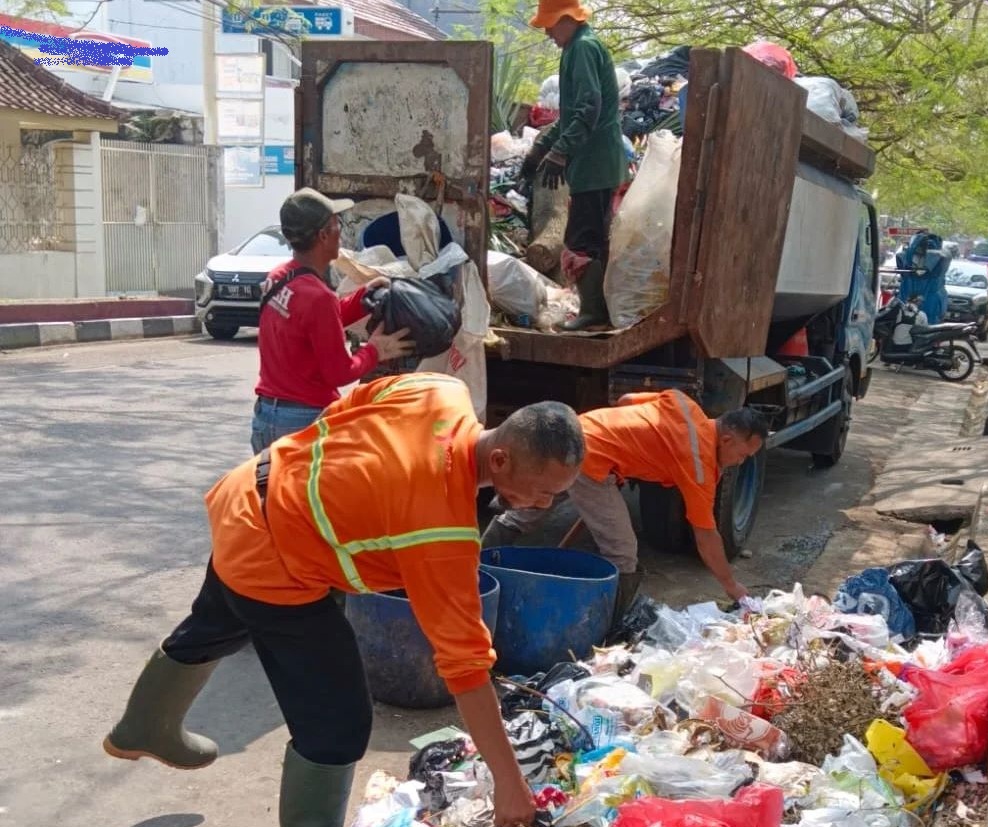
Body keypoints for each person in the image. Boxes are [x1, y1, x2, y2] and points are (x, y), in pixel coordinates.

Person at [102, 374, 585, 827]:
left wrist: (339, 493)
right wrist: (509, 782)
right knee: (338, 726)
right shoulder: (441, 531)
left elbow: (343, 409)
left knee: (218, 619)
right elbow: (465, 668)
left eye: (556, 497)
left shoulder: (440, 390)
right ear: (499, 460)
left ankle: (144, 725)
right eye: (542, 493)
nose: (543, 506)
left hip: (249, 494)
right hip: (274, 562)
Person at [482, 391, 769, 613]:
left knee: (524, 513)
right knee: (623, 553)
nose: (738, 463)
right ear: (728, 439)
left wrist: (627, 448)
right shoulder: (699, 465)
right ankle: (608, 627)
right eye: (742, 455)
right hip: (592, 460)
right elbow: (706, 534)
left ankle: (475, 569)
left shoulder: (684, 403)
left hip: (575, 436)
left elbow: (626, 400)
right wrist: (731, 585)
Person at [252, 187, 415, 453]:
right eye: (336, 224)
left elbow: (312, 322)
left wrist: (364, 295)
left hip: (266, 415)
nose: (340, 230)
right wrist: (375, 350)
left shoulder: (279, 277)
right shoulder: (318, 297)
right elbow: (340, 372)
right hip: (302, 424)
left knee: (271, 495)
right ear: (323, 235)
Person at [521, 0, 625, 331]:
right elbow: (570, 115)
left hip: (594, 163)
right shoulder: (576, 49)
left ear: (568, 19)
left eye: (551, 24)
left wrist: (560, 152)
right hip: (593, 164)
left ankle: (594, 313)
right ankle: (597, 310)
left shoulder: (582, 48)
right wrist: (539, 150)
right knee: (590, 235)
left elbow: (588, 107)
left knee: (583, 238)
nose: (548, 31)